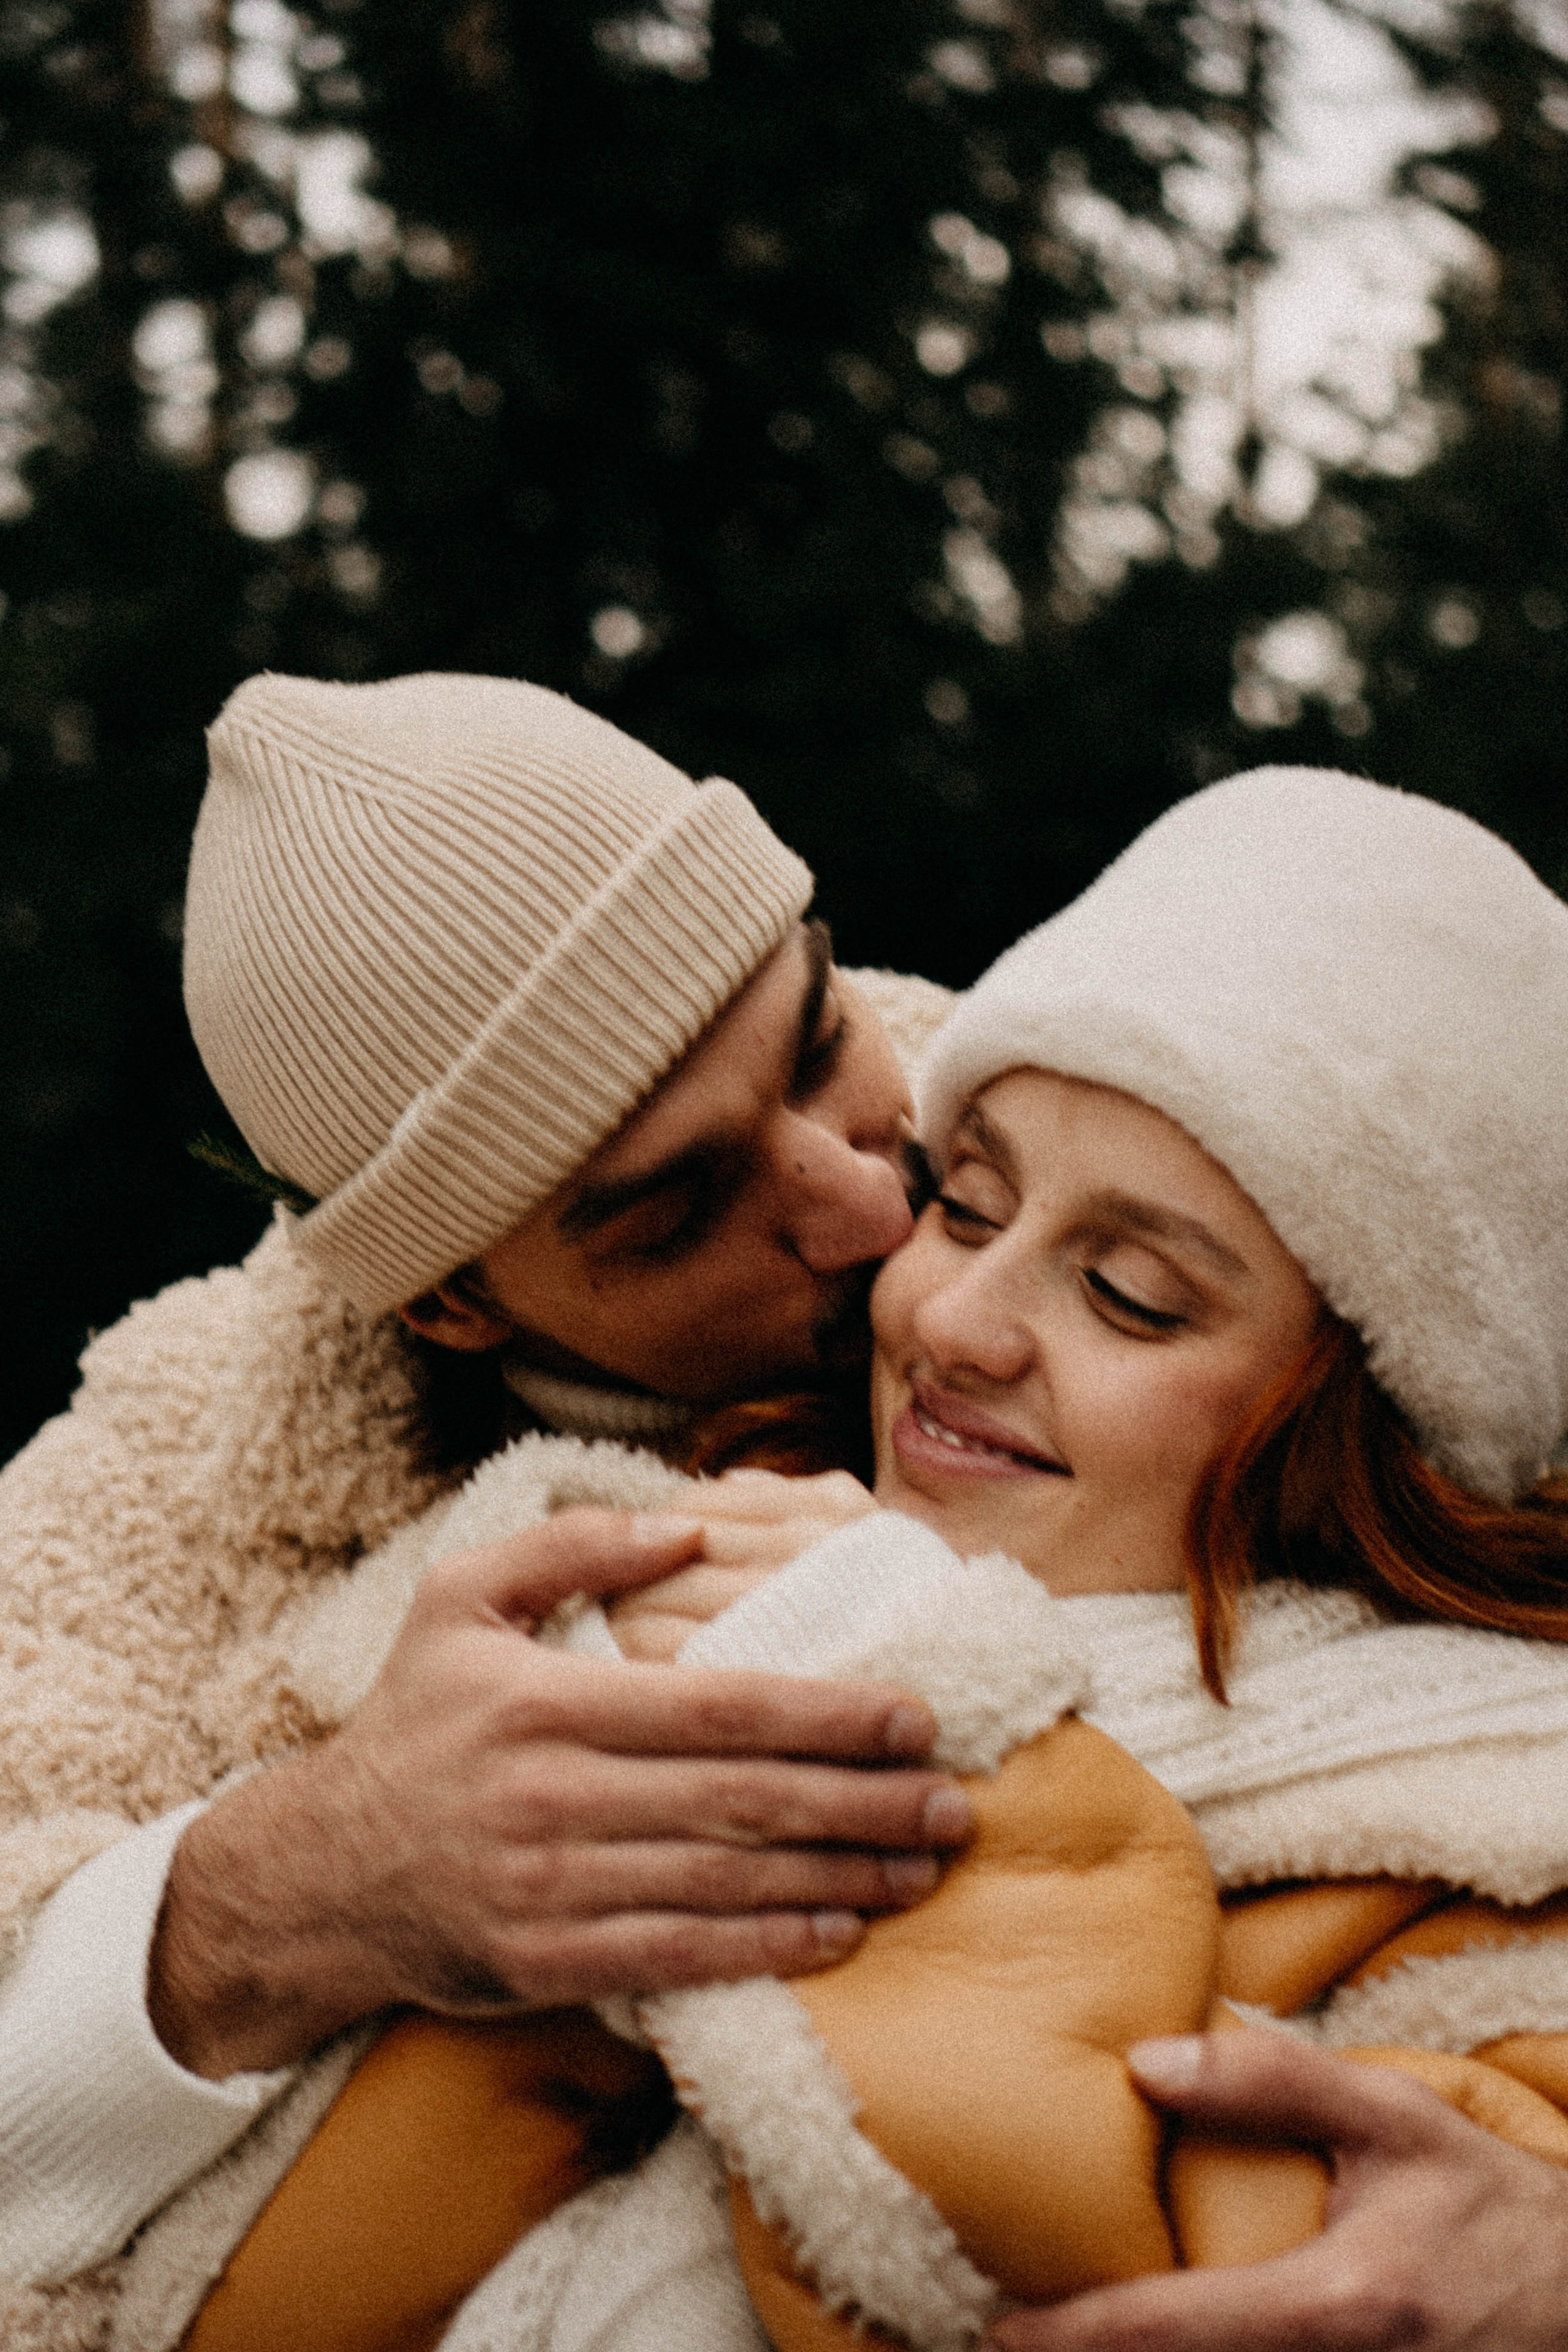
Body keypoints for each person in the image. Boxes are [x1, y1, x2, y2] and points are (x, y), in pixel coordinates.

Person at [133, 766, 1568, 2352]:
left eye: (1135, 1294)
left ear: (1376, 1417)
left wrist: (900, 1679)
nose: (943, 1312)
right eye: (965, 1203)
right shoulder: (574, 1577)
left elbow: (1187, 2286)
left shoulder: (1497, 1834)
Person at [0, 669, 971, 2338]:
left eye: (821, 1044)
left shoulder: (1148, 1149)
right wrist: (308, 1881)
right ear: (451, 1301)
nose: (867, 1202)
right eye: (679, 1208)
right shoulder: (153, 1496)